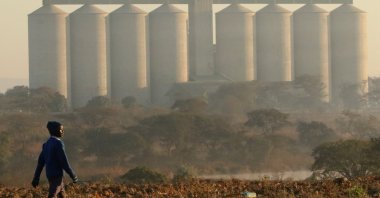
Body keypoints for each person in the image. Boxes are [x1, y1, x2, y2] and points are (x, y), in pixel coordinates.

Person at [32, 121, 78, 198]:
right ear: (55, 130)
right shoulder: (58, 143)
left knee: (62, 194)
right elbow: (64, 163)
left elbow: (40, 164)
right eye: (61, 130)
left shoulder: (46, 144)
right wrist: (73, 175)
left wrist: (36, 178)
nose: (63, 131)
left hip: (50, 176)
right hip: (57, 177)